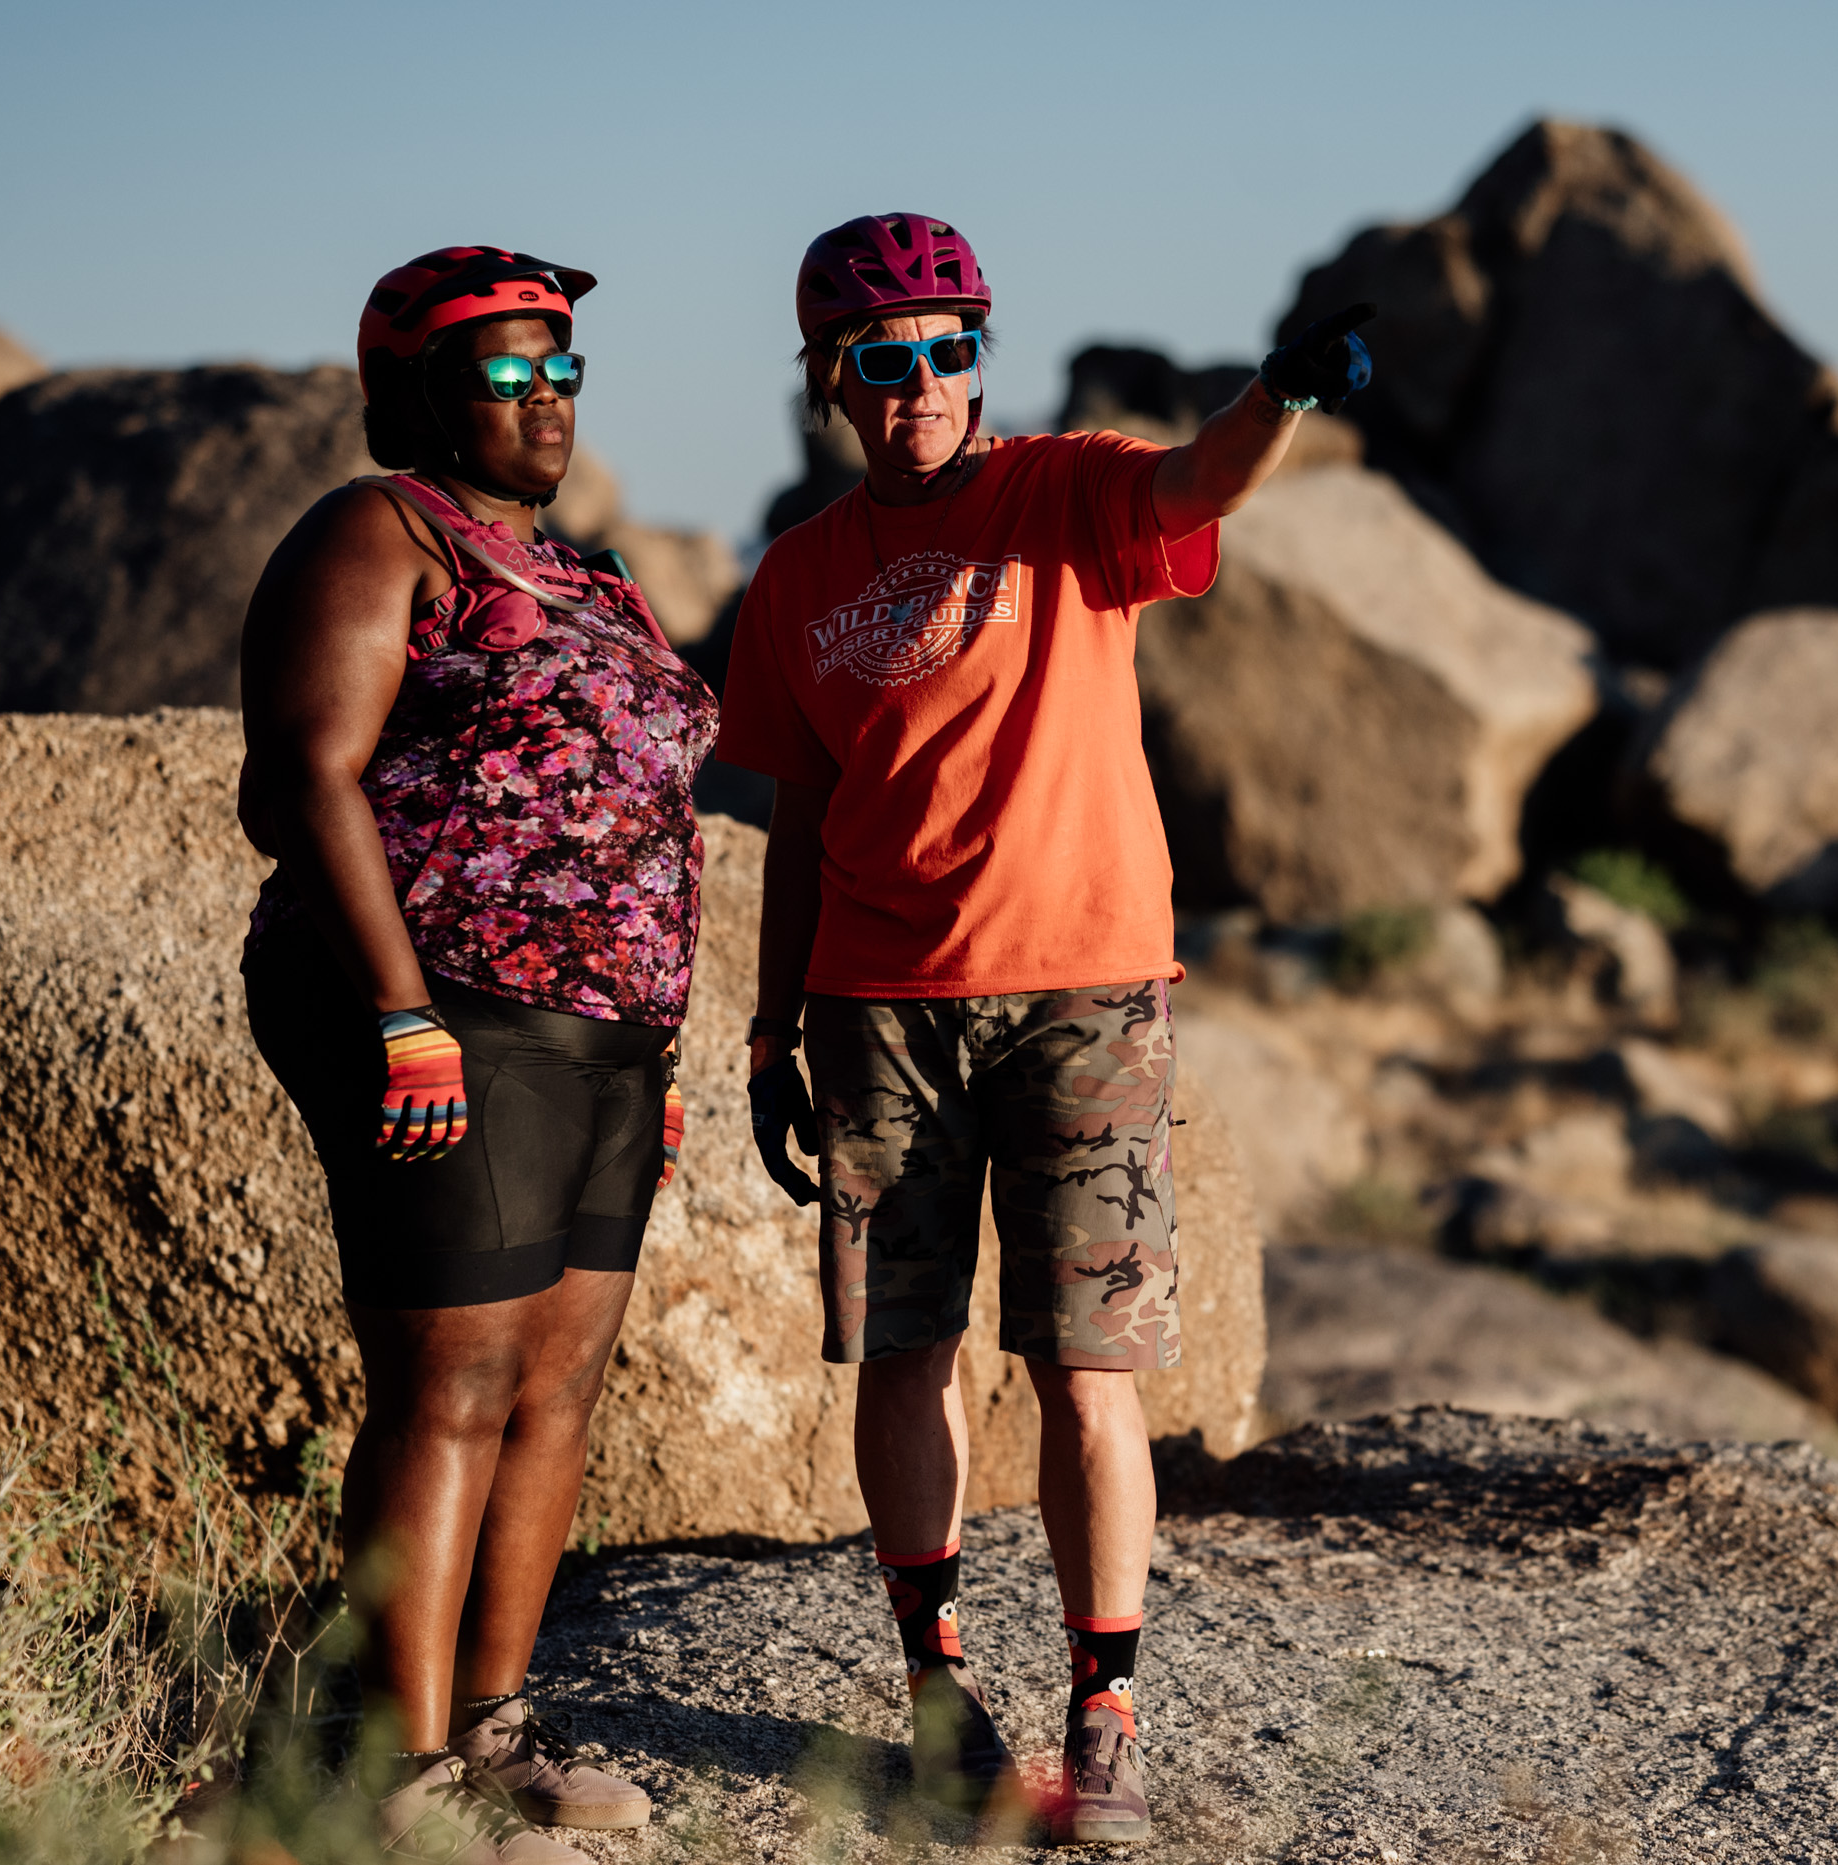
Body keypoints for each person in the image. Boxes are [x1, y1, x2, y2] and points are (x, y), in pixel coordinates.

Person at [715, 210, 1371, 1846]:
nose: (924, 381)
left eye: (952, 347)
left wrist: (1279, 398)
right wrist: (765, 1029)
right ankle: (939, 1688)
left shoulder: (1064, 491)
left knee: (1090, 1369)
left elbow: (1197, 484)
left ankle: (1106, 1709)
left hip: (1086, 993)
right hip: (878, 1011)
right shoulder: (794, 580)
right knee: (907, 1349)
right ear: (827, 381)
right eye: (885, 356)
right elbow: (797, 818)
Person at [236, 246, 719, 1863]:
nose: (547, 399)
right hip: (443, 1008)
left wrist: (653, 1039)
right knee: (448, 1382)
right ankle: (394, 1764)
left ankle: (492, 1727)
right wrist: (399, 1013)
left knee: (558, 1384)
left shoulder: (586, 574)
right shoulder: (376, 535)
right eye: (508, 373)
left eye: (562, 369)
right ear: (424, 391)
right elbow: (304, 778)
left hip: (603, 1032)